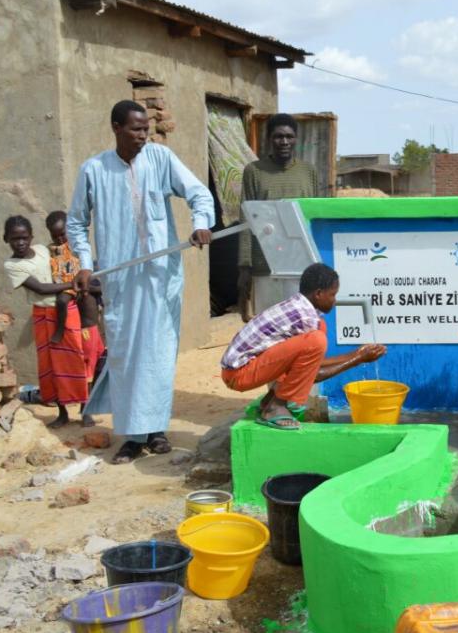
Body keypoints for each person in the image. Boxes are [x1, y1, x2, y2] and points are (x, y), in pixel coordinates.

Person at [68, 100, 216, 464]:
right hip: (120, 280)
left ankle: (157, 431)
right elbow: (76, 222)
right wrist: (84, 264)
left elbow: (198, 192)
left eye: (146, 129)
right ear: (116, 128)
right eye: (136, 129)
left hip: (160, 276)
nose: (142, 136)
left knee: (159, 353)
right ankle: (133, 437)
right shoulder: (94, 170)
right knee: (125, 355)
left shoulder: (160, 158)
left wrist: (200, 223)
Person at [220, 262, 385, 428]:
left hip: (241, 369)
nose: (334, 301)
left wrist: (356, 354)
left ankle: (269, 401)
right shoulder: (306, 318)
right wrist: (357, 359)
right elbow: (315, 375)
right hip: (238, 375)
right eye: (332, 295)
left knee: (319, 331)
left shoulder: (300, 308)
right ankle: (276, 407)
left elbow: (310, 365)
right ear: (318, 294)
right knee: (316, 340)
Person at [2, 216, 91, 428]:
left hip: (67, 310)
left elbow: (65, 263)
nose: (20, 242)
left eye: (24, 238)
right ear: (6, 239)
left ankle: (85, 410)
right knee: (49, 365)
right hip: (43, 314)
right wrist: (72, 283)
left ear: (31, 237)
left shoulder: (43, 250)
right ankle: (62, 412)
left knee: (75, 359)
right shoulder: (12, 265)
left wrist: (76, 279)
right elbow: (41, 288)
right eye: (15, 239)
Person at [237, 114, 320, 321]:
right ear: (269, 140)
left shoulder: (308, 172)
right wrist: (245, 265)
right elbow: (246, 219)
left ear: (296, 139)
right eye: (278, 136)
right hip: (265, 262)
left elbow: (316, 216)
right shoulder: (254, 171)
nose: (284, 142)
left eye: (289, 136)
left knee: (301, 322)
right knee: (270, 323)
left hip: (301, 260)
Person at [46, 210, 106, 391]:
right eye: (55, 236)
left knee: (97, 356)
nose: (60, 239)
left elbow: (95, 281)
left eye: (62, 234)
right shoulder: (52, 252)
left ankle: (94, 392)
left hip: (84, 293)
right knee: (62, 301)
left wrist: (87, 286)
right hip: (68, 287)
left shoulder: (80, 250)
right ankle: (59, 331)